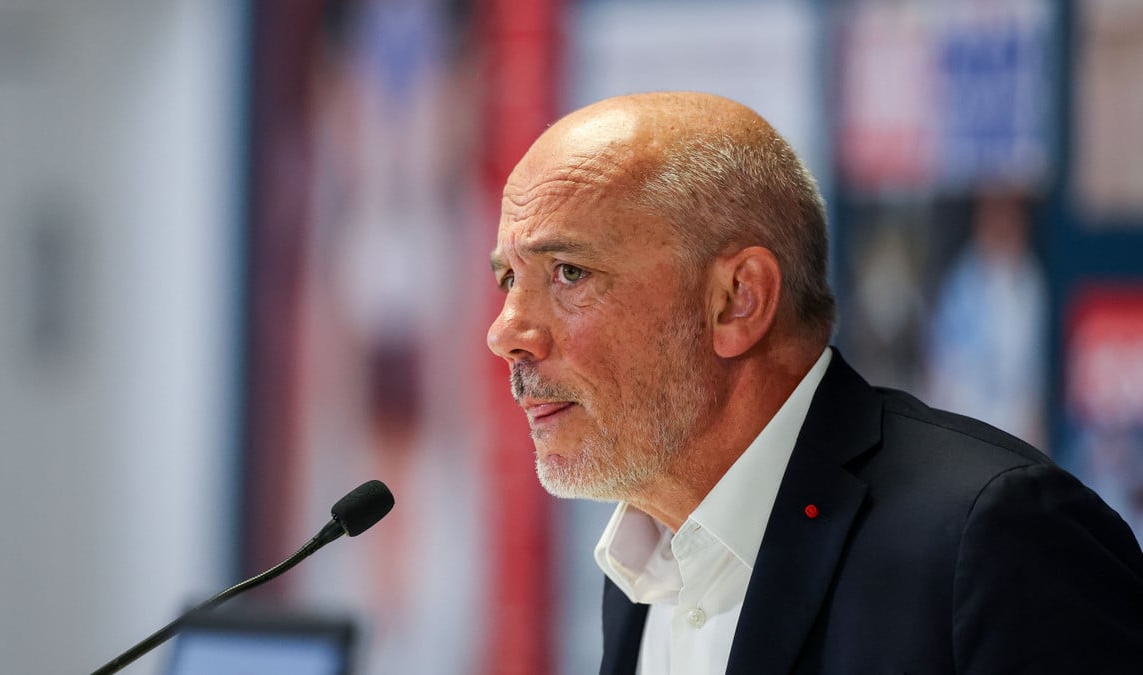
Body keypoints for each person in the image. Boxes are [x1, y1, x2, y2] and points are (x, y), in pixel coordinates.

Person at [485, 92, 1143, 674]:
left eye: (568, 272)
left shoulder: (991, 536)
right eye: (508, 279)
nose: (505, 332)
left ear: (737, 300)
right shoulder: (644, 564)